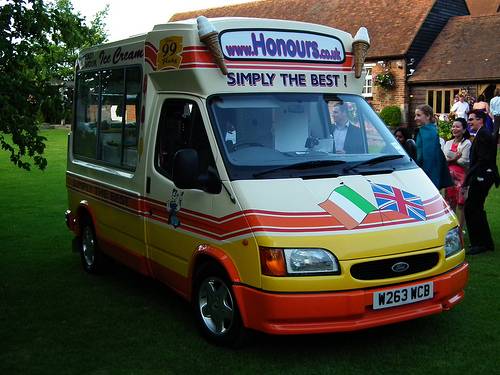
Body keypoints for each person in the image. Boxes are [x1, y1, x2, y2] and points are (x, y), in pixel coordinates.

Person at [464, 109, 500, 255]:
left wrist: (468, 177)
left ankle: (479, 243)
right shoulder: (482, 134)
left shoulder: (483, 134)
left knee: (472, 208)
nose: (469, 122)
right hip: (482, 176)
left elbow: (484, 160)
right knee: (475, 208)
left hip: (482, 177)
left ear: (480, 120)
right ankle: (485, 242)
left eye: (471, 119)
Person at [442, 118, 471, 230]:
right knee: (450, 203)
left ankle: (460, 229)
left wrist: (452, 158)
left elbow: (465, 161)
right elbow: (444, 159)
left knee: (461, 204)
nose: (454, 129)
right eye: (453, 126)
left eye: (457, 126)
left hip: (461, 177)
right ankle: (452, 228)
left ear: (464, 130)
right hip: (449, 177)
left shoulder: (467, 143)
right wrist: (455, 157)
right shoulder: (448, 143)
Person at [414, 104, 453, 189]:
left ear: (427, 116)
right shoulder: (428, 130)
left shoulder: (428, 132)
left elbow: (429, 158)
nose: (415, 118)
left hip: (428, 174)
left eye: (418, 115)